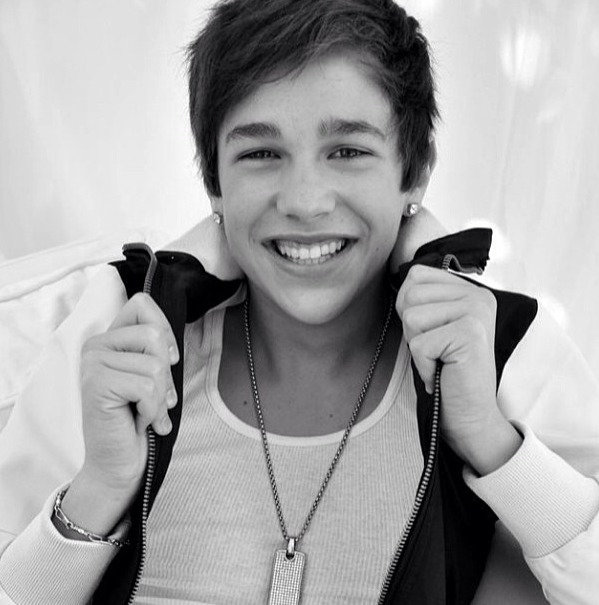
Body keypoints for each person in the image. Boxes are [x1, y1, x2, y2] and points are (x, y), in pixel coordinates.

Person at [0, 0, 598, 603]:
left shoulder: (500, 346)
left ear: (414, 173)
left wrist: (492, 442)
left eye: (348, 151)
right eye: (261, 154)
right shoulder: (119, 330)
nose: (305, 202)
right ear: (214, 182)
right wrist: (101, 488)